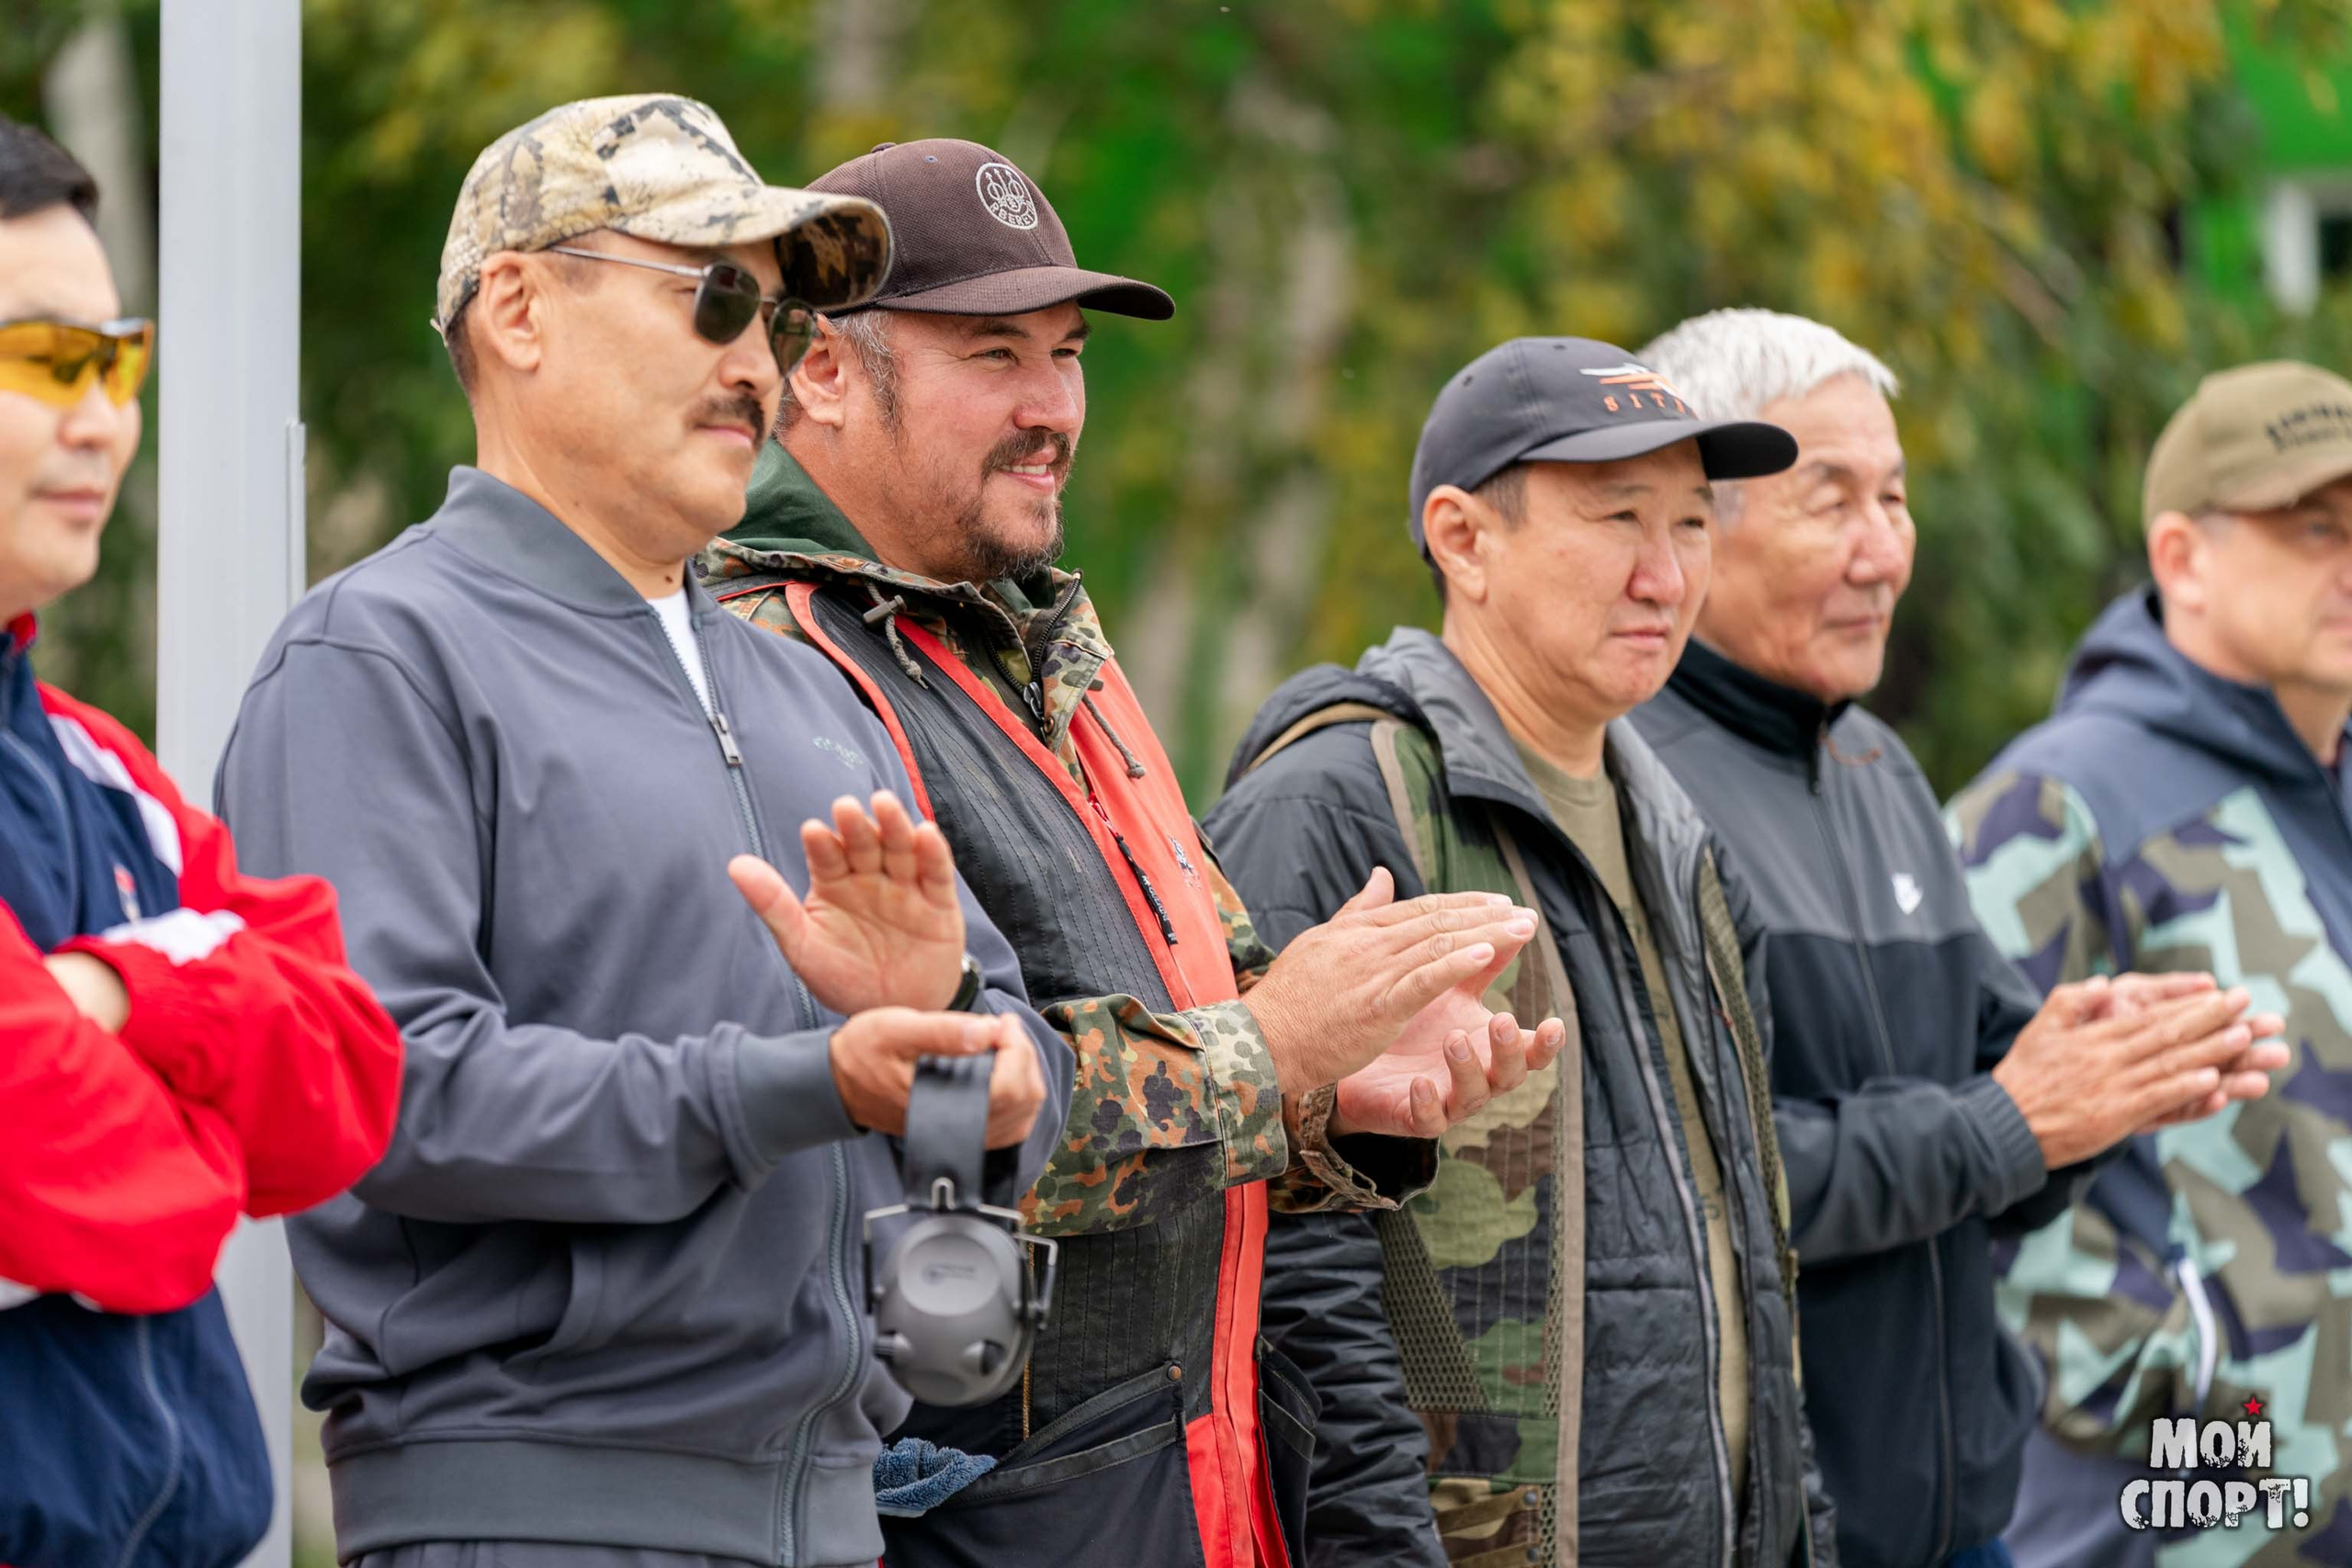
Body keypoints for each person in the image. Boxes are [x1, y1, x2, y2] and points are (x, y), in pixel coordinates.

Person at [214, 96, 1072, 1568]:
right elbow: (386, 1091)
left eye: (778, 311)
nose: (756, 359)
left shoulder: (808, 689)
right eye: (715, 295)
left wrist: (959, 1056)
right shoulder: (378, 657)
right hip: (533, 1519)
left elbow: (993, 1086)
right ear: (521, 308)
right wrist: (801, 1082)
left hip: (835, 1524)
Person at [706, 140, 1565, 1568]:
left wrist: (1346, 1090)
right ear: (822, 376)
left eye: (1067, 353)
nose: (1053, 409)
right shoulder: (769, 668)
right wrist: (1275, 1053)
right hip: (969, 1517)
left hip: (1186, 1489)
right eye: (995, 355)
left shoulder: (1052, 652)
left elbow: (1211, 1034)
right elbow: (931, 1122)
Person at [1630, 309, 2285, 1568]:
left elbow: (2004, 1125)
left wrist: (2112, 1081)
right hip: (1770, 1530)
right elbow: (1698, 1191)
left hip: (1966, 1525)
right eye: (1835, 501)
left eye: (1897, 497)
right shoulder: (1635, 792)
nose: (1885, 551)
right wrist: (2017, 1119)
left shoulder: (1878, 765)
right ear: (1693, 526)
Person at [1208, 335, 1838, 1566]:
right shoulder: (1338, 804)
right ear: (1462, 537)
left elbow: (1749, 1259)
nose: (1666, 575)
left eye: (1696, 525)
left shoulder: (1679, 836)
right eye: (1618, 519)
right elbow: (1289, 1273)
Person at [0, 117, 404, 1567]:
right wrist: (201, 1105)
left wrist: (124, 996)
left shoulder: (96, 764)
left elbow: (351, 1078)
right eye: (46, 361)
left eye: (116, 360)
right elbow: (112, 1198)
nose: (103, 416)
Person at [1948, 360, 2352, 1567]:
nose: (2349, 563)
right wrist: (2214, 1394)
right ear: (2182, 559)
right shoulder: (2056, 808)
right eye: (2314, 529)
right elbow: (1973, 1160)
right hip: (2180, 1512)